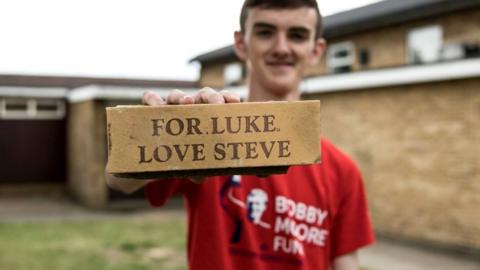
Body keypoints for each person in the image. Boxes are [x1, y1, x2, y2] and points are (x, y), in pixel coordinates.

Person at [106, 0, 375, 269]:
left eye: (297, 35)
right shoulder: (208, 135)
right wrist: (162, 134)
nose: (281, 48)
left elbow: (346, 263)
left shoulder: (343, 170)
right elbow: (116, 180)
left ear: (316, 50)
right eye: (265, 32)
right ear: (241, 44)